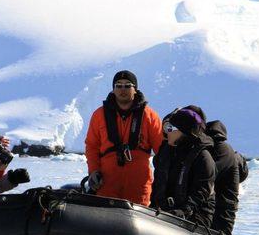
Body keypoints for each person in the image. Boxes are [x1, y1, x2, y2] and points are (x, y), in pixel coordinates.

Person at [84, 70, 163, 205]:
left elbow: (162, 151)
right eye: (118, 85)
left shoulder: (150, 116)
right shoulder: (99, 115)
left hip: (139, 187)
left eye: (128, 85)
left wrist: (165, 179)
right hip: (107, 185)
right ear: (113, 89)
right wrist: (93, 171)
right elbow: (92, 146)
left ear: (135, 89)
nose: (123, 89)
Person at [151, 108, 216, 226]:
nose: (167, 132)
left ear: (183, 131)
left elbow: (201, 193)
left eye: (170, 128)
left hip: (194, 220)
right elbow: (158, 185)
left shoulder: (203, 158)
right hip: (164, 214)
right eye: (166, 128)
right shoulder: (166, 152)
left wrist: (183, 211)